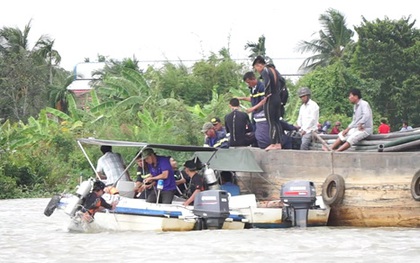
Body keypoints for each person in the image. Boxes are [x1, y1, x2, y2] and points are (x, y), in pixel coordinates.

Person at [252, 55, 285, 151]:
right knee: (277, 121)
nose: (257, 71)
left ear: (259, 65)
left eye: (256, 68)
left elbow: (267, 84)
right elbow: (283, 82)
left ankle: (274, 143)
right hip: (277, 97)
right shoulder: (274, 70)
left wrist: (266, 95)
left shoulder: (265, 71)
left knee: (271, 122)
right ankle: (278, 143)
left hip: (270, 99)